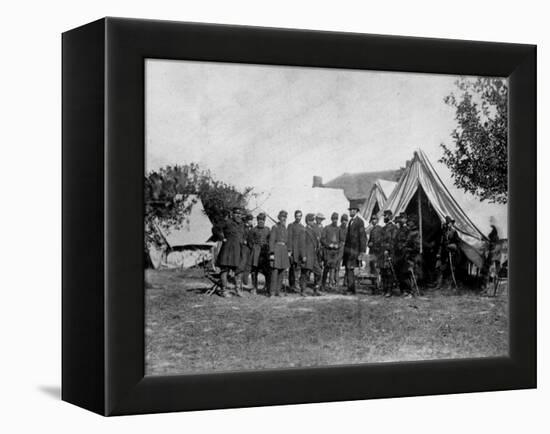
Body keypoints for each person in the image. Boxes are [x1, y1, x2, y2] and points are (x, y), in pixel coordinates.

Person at [216, 207, 245, 297]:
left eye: (240, 214)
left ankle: (237, 289)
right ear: (232, 214)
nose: (238, 215)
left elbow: (243, 235)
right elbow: (215, 229)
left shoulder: (242, 224)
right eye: (236, 213)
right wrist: (222, 238)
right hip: (227, 249)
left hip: (237, 250)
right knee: (224, 269)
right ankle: (224, 290)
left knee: (239, 270)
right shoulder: (227, 222)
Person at [342, 201, 367, 294]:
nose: (351, 212)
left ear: (356, 211)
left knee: (350, 269)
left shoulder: (359, 222)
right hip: (348, 251)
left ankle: (351, 290)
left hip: (354, 251)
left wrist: (362, 252)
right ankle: (350, 288)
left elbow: (362, 237)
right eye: (350, 210)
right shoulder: (350, 222)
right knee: (348, 269)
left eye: (352, 210)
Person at [269, 210, 291, 296]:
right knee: (275, 271)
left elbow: (287, 241)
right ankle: (272, 292)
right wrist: (271, 253)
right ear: (279, 217)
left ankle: (278, 291)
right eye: (282, 217)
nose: (284, 219)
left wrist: (289, 251)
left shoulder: (285, 228)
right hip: (277, 249)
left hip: (284, 250)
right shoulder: (275, 227)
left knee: (282, 271)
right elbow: (271, 241)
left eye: (285, 217)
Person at [299, 213, 323, 296]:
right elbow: (302, 245)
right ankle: (303, 290)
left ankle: (316, 289)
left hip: (314, 256)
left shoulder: (313, 230)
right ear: (308, 221)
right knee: (305, 273)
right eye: (311, 220)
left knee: (319, 272)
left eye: (313, 220)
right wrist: (303, 256)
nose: (313, 222)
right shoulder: (304, 231)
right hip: (307, 256)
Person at [320, 212, 344, 292]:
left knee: (333, 268)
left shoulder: (339, 229)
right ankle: (323, 285)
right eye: (334, 219)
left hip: (335, 252)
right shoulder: (327, 228)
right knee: (326, 268)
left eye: (336, 219)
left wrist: (338, 246)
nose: (335, 220)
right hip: (328, 252)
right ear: (331, 219)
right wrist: (329, 245)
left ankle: (331, 285)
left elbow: (342, 241)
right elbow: (322, 239)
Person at [436, 215, 461, 289]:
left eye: (450, 223)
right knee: (440, 267)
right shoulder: (444, 232)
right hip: (444, 252)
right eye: (448, 223)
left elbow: (457, 242)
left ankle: (450, 284)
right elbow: (441, 243)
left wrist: (452, 246)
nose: (449, 225)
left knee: (451, 268)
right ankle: (439, 284)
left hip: (452, 253)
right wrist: (439, 253)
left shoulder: (454, 232)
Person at [249, 213, 271, 295]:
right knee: (255, 270)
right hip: (256, 253)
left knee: (267, 271)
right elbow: (250, 241)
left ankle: (267, 287)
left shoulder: (268, 230)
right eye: (259, 220)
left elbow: (270, 240)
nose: (261, 221)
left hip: (265, 253)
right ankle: (254, 287)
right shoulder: (253, 230)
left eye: (262, 220)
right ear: (257, 220)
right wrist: (254, 248)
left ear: (264, 221)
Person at [394, 213, 412, 297]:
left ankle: (409, 291)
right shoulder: (399, 229)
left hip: (405, 254)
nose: (401, 220)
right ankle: (402, 290)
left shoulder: (407, 229)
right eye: (400, 218)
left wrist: (402, 247)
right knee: (399, 273)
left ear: (405, 219)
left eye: (403, 218)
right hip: (398, 255)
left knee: (405, 273)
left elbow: (408, 241)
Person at [381, 210, 398, 297]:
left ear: (390, 217)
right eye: (384, 216)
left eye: (386, 216)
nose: (384, 218)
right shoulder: (383, 228)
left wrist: (388, 250)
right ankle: (384, 289)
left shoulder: (394, 228)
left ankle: (389, 290)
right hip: (383, 253)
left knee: (389, 271)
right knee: (383, 271)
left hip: (390, 253)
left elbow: (393, 241)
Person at [287, 210, 305, 292]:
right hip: (293, 250)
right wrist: (289, 250)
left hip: (300, 251)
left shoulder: (302, 227)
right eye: (297, 216)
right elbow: (289, 238)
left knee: (298, 268)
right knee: (292, 268)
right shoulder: (291, 226)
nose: (298, 217)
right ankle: (292, 285)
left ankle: (296, 285)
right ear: (295, 216)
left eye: (300, 216)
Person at [367, 214, 384, 294]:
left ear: (377, 220)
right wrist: (369, 244)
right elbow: (370, 240)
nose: (373, 221)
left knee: (377, 270)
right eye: (372, 219)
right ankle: (374, 287)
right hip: (372, 252)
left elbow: (380, 241)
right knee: (372, 269)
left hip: (377, 252)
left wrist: (373, 244)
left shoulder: (380, 229)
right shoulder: (372, 229)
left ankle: (378, 287)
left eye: (374, 219)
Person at [238, 213, 254, 290]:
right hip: (244, 247)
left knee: (248, 264)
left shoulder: (252, 228)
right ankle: (239, 282)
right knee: (243, 262)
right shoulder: (243, 227)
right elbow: (240, 236)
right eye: (249, 220)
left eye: (251, 220)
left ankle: (245, 280)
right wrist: (243, 241)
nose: (251, 221)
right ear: (247, 220)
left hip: (250, 248)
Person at [337, 214, 349, 286]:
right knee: (337, 265)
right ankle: (336, 281)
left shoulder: (348, 229)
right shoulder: (338, 229)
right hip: (340, 248)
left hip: (346, 248)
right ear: (341, 221)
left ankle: (345, 281)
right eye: (343, 220)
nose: (345, 222)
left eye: (346, 220)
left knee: (347, 265)